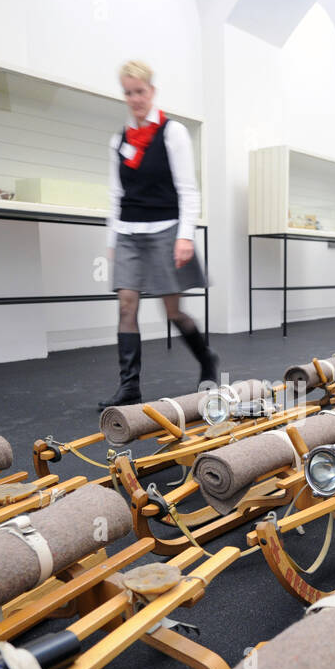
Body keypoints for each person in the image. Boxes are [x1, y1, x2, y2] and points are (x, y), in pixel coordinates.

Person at [99, 60, 218, 408]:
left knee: (172, 311)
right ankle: (129, 386)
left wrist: (185, 236)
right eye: (129, 92)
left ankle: (207, 359)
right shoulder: (117, 140)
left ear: (152, 92)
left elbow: (188, 190)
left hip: (166, 229)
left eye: (141, 91)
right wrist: (111, 241)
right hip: (128, 232)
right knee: (126, 305)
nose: (135, 98)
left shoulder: (173, 132)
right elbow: (115, 194)